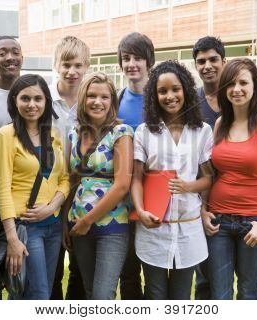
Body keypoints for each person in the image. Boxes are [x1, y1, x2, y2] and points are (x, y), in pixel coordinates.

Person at [201, 58, 257, 300]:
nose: (236, 89)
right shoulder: (220, 124)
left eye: (243, 83)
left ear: (254, 86)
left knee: (249, 292)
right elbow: (211, 173)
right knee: (220, 294)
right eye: (230, 83)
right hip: (219, 222)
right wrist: (204, 210)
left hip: (254, 222)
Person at [131, 60, 213, 300]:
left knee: (181, 297)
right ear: (154, 96)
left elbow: (209, 177)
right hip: (154, 230)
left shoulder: (202, 131)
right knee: (155, 295)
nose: (170, 96)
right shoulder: (145, 132)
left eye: (175, 89)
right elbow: (136, 179)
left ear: (186, 90)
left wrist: (189, 186)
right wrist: (140, 210)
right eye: (162, 91)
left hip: (189, 229)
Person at [0, 74, 70, 300]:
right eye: (25, 98)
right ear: (15, 101)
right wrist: (12, 239)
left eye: (38, 98)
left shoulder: (52, 134)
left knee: (40, 290)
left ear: (46, 101)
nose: (32, 104)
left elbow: (64, 179)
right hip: (27, 228)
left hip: (53, 225)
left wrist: (52, 206)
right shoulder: (6, 135)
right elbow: (3, 189)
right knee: (38, 294)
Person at [65, 72, 134, 300]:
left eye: (104, 97)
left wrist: (87, 220)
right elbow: (72, 181)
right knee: (88, 291)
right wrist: (68, 223)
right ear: (83, 99)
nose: (97, 102)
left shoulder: (121, 133)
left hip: (111, 225)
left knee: (102, 296)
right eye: (92, 96)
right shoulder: (73, 134)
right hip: (78, 223)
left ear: (112, 101)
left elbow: (123, 185)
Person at [49, 35, 90, 300]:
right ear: (56, 65)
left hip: (80, 194)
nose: (71, 71)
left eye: (77, 65)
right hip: (48, 195)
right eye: (66, 65)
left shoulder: (91, 102)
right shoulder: (43, 99)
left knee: (80, 269)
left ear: (86, 66)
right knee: (51, 270)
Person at [116, 32, 155, 300]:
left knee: (155, 272)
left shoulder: (161, 97)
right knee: (128, 272)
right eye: (126, 58)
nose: (132, 64)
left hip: (156, 196)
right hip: (123, 200)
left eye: (138, 58)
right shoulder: (116, 99)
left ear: (148, 61)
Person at [0, 36, 23, 299]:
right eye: (2, 53)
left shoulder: (32, 94)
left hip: (24, 205)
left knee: (21, 284)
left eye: (15, 52)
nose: (10, 57)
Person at [191, 35, 226, 300]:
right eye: (201, 61)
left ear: (224, 61)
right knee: (205, 281)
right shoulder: (191, 102)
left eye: (213, 59)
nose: (207, 65)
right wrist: (202, 208)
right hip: (205, 202)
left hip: (240, 200)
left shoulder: (238, 95)